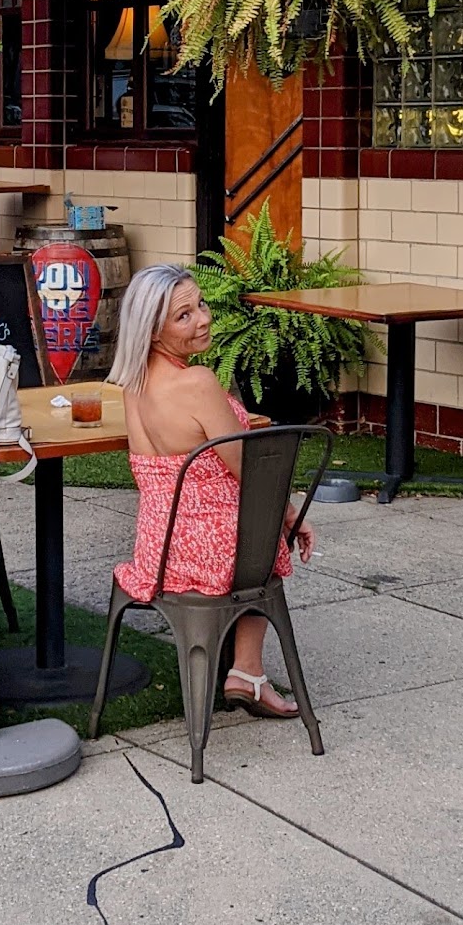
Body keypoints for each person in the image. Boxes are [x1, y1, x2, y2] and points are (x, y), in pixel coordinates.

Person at [109, 262, 315, 719]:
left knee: (257, 537)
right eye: (184, 316)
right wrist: (290, 515)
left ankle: (245, 670)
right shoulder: (198, 382)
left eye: (200, 304)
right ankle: (247, 671)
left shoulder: (132, 384)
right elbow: (250, 473)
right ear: (153, 330)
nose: (203, 318)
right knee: (264, 542)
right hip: (213, 550)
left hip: (158, 549)